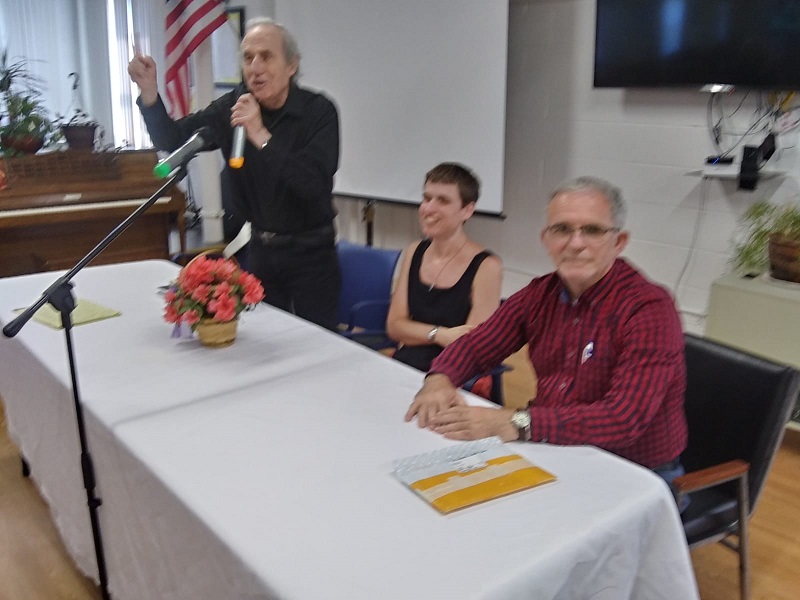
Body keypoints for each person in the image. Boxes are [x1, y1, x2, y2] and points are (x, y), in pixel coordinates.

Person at [406, 176, 688, 482]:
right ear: (546, 239)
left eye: (592, 230)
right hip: (554, 447)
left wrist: (511, 422)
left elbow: (623, 418)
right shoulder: (540, 294)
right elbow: (477, 345)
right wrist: (440, 379)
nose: (575, 243)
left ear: (618, 242)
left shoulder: (649, 309)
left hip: (635, 471)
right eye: (562, 229)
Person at [128, 17, 341, 330]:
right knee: (265, 338)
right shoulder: (234, 106)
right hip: (261, 250)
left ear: (291, 66)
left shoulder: (319, 111)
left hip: (311, 253)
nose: (255, 67)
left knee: (318, 344)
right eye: (248, 57)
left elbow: (312, 183)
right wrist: (149, 92)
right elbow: (173, 140)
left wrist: (260, 134)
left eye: (266, 57)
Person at [386, 163, 503, 372]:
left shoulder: (487, 266)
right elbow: (394, 327)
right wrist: (442, 335)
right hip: (406, 364)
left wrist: (414, 332)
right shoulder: (415, 251)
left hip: (453, 374)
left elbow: (471, 347)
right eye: (427, 198)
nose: (428, 209)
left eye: (443, 201)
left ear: (467, 210)